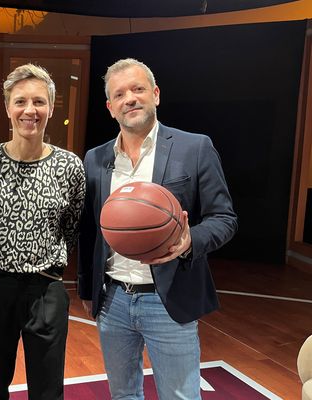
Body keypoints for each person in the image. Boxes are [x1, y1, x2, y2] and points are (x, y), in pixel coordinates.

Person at [78, 58, 238, 399]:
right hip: (113, 299)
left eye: (137, 89)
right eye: (119, 94)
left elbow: (225, 218)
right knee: (123, 394)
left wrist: (188, 240)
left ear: (156, 94)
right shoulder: (95, 158)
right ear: (110, 108)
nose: (130, 99)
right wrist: (89, 291)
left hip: (169, 299)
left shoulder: (194, 148)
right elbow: (90, 230)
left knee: (180, 396)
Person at [0, 63, 86, 400]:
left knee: (47, 391)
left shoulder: (69, 166)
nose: (29, 110)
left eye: (38, 102)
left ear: (50, 108)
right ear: (7, 107)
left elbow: (71, 225)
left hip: (45, 289)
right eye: (20, 101)